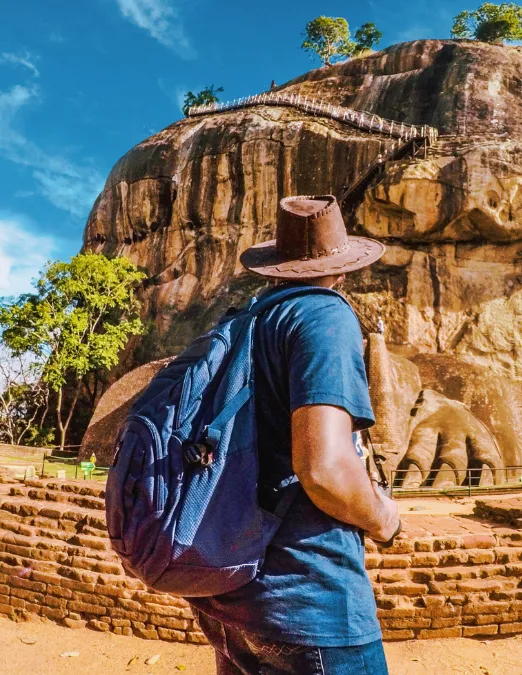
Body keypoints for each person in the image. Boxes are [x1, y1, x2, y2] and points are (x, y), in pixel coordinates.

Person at [188, 195, 400, 675]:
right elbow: (324, 468)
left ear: (275, 267)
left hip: (230, 592)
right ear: (342, 268)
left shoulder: (243, 321)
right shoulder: (324, 315)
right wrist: (384, 519)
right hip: (309, 596)